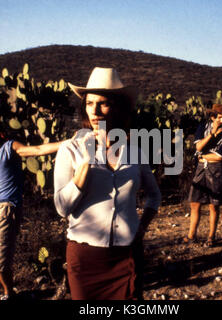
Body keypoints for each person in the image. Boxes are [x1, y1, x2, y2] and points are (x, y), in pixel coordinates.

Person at [54, 67, 161, 300]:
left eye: (103, 103)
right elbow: (62, 207)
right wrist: (85, 164)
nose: (95, 111)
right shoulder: (69, 150)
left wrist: (142, 227)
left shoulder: (134, 151)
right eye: (89, 103)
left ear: (118, 107)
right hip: (84, 259)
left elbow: (154, 195)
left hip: (127, 255)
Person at [0, 114, 65, 300]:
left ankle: (9, 294)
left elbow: (37, 149)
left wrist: (68, 143)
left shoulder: (9, 147)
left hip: (5, 209)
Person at [184, 104, 222, 247]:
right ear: (212, 117)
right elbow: (198, 147)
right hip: (200, 169)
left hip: (216, 170)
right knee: (195, 203)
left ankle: (211, 236)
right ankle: (191, 235)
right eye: (219, 118)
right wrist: (212, 133)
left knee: (214, 204)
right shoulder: (203, 127)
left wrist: (202, 157)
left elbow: (219, 157)